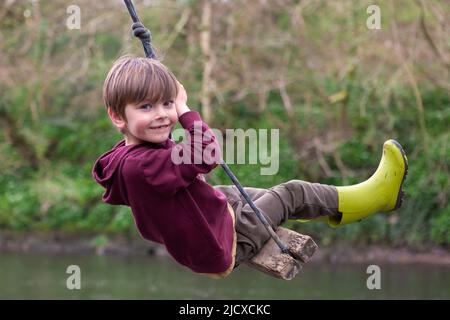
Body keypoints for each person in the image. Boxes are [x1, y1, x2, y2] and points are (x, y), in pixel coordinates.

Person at [92, 56, 408, 278]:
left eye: (166, 103)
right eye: (147, 107)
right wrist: (185, 110)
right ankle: (379, 196)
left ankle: (332, 207)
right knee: (292, 193)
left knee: (229, 192)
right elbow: (206, 154)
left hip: (205, 231)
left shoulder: (123, 158)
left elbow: (187, 167)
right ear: (118, 116)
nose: (162, 114)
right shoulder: (145, 166)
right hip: (223, 245)